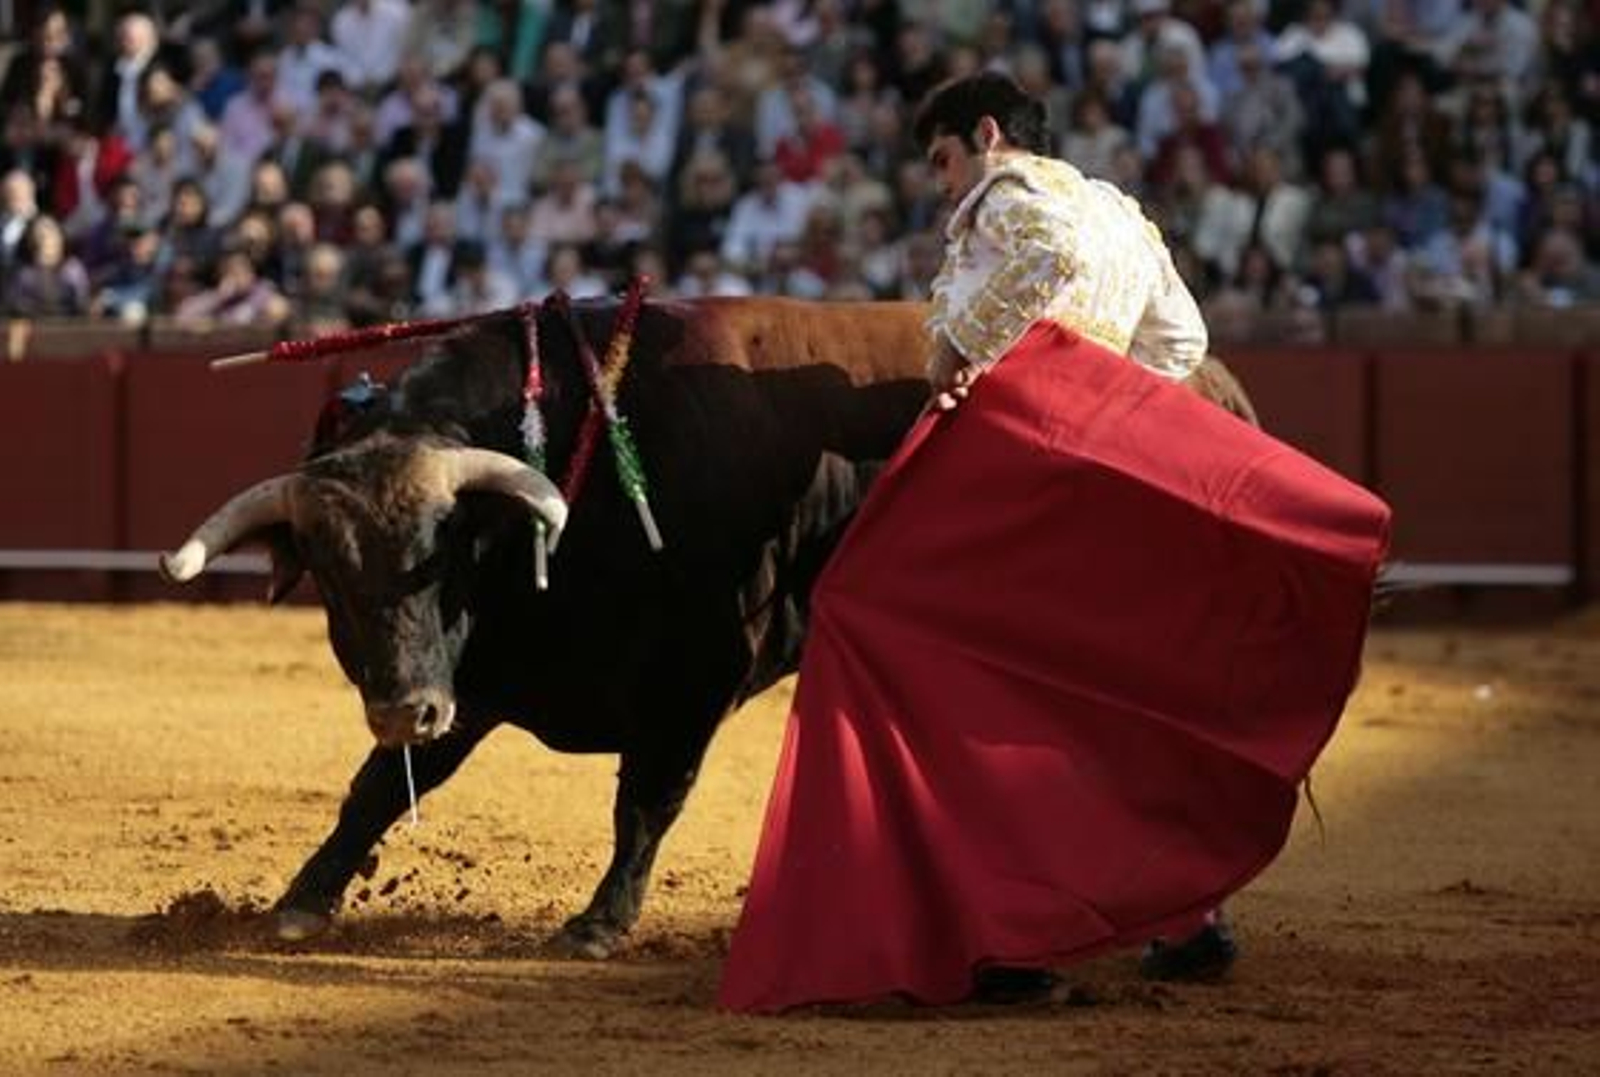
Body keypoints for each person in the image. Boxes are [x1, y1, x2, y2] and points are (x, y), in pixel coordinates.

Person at [717, 72, 1392, 1013]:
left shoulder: (1015, 197)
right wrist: (1109, 419)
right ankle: (1190, 918)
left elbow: (1048, 256)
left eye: (946, 158)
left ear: (987, 135)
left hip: (1009, 470)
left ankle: (999, 935)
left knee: (882, 625)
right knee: (1100, 697)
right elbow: (1181, 341)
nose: (944, 182)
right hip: (1089, 482)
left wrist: (965, 357)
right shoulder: (1122, 211)